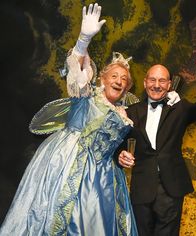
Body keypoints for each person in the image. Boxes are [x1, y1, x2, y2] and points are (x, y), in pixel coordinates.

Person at [0, 3, 139, 235]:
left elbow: (112, 144)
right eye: (114, 75)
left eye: (124, 79)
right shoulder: (87, 95)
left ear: (127, 88)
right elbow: (77, 72)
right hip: (70, 161)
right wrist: (84, 40)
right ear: (102, 79)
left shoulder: (125, 112)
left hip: (104, 176)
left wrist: (121, 153)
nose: (119, 80)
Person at [118, 47, 196, 236]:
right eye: (153, 80)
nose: (157, 85)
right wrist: (121, 155)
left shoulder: (179, 109)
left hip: (171, 187)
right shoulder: (130, 112)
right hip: (141, 188)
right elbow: (119, 146)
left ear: (169, 84)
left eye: (162, 80)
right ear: (145, 82)